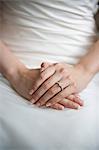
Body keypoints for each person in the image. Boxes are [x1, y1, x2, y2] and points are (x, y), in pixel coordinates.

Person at [0, 1, 99, 149]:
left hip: (87, 62)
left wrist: (83, 71)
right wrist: (16, 73)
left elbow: (84, 72)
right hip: (7, 60)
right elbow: (14, 72)